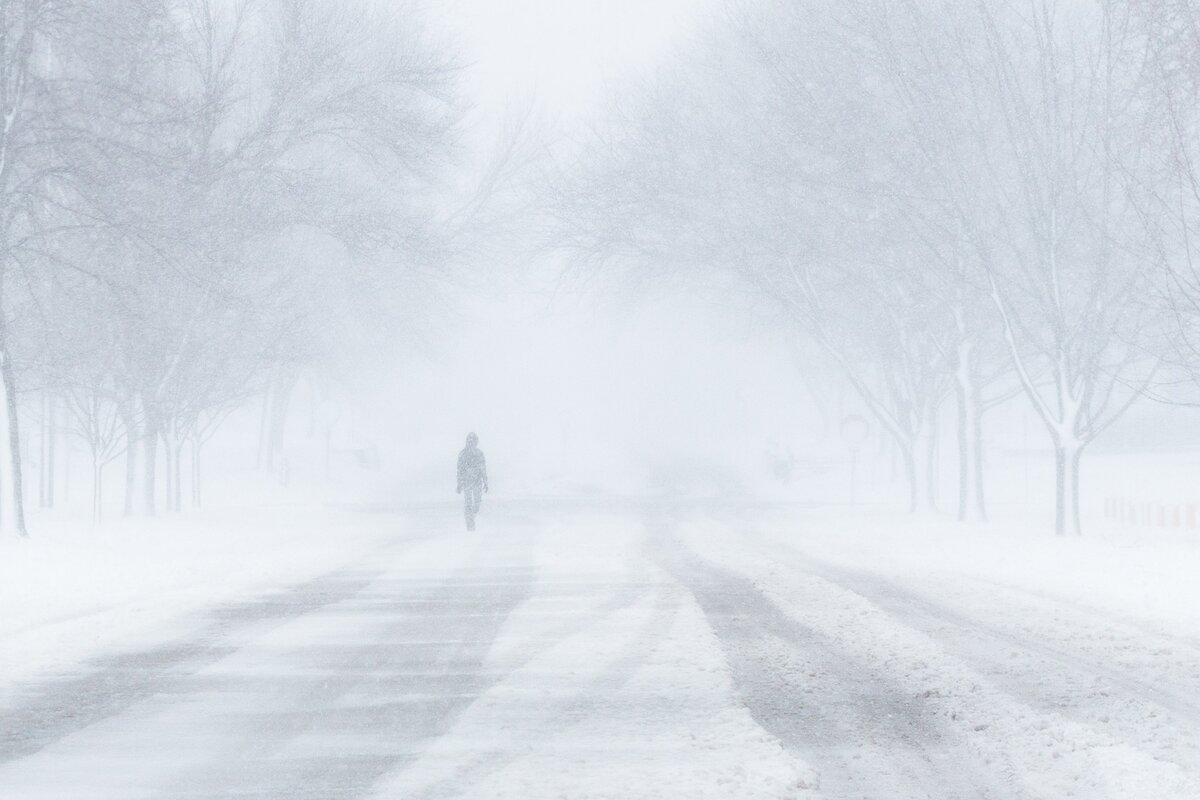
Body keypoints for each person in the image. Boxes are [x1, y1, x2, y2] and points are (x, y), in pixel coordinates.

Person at [456, 432, 488, 530]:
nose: (470, 442)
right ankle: (470, 527)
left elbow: (483, 468)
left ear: (476, 442)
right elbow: (459, 470)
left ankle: (471, 520)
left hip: (477, 482)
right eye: (469, 440)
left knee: (477, 505)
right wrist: (459, 483)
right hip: (467, 482)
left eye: (472, 440)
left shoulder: (479, 453)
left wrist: (485, 482)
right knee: (468, 504)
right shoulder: (462, 454)